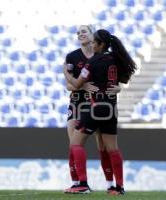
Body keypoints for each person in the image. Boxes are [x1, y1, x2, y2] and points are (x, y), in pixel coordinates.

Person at [63, 29, 137, 195]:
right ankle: (119, 187)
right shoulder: (116, 59)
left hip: (95, 107)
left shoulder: (93, 61)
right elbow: (124, 79)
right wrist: (117, 86)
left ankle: (82, 184)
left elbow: (76, 84)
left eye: (95, 42)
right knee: (113, 149)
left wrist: (67, 74)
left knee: (75, 144)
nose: (93, 45)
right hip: (111, 109)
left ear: (100, 44)